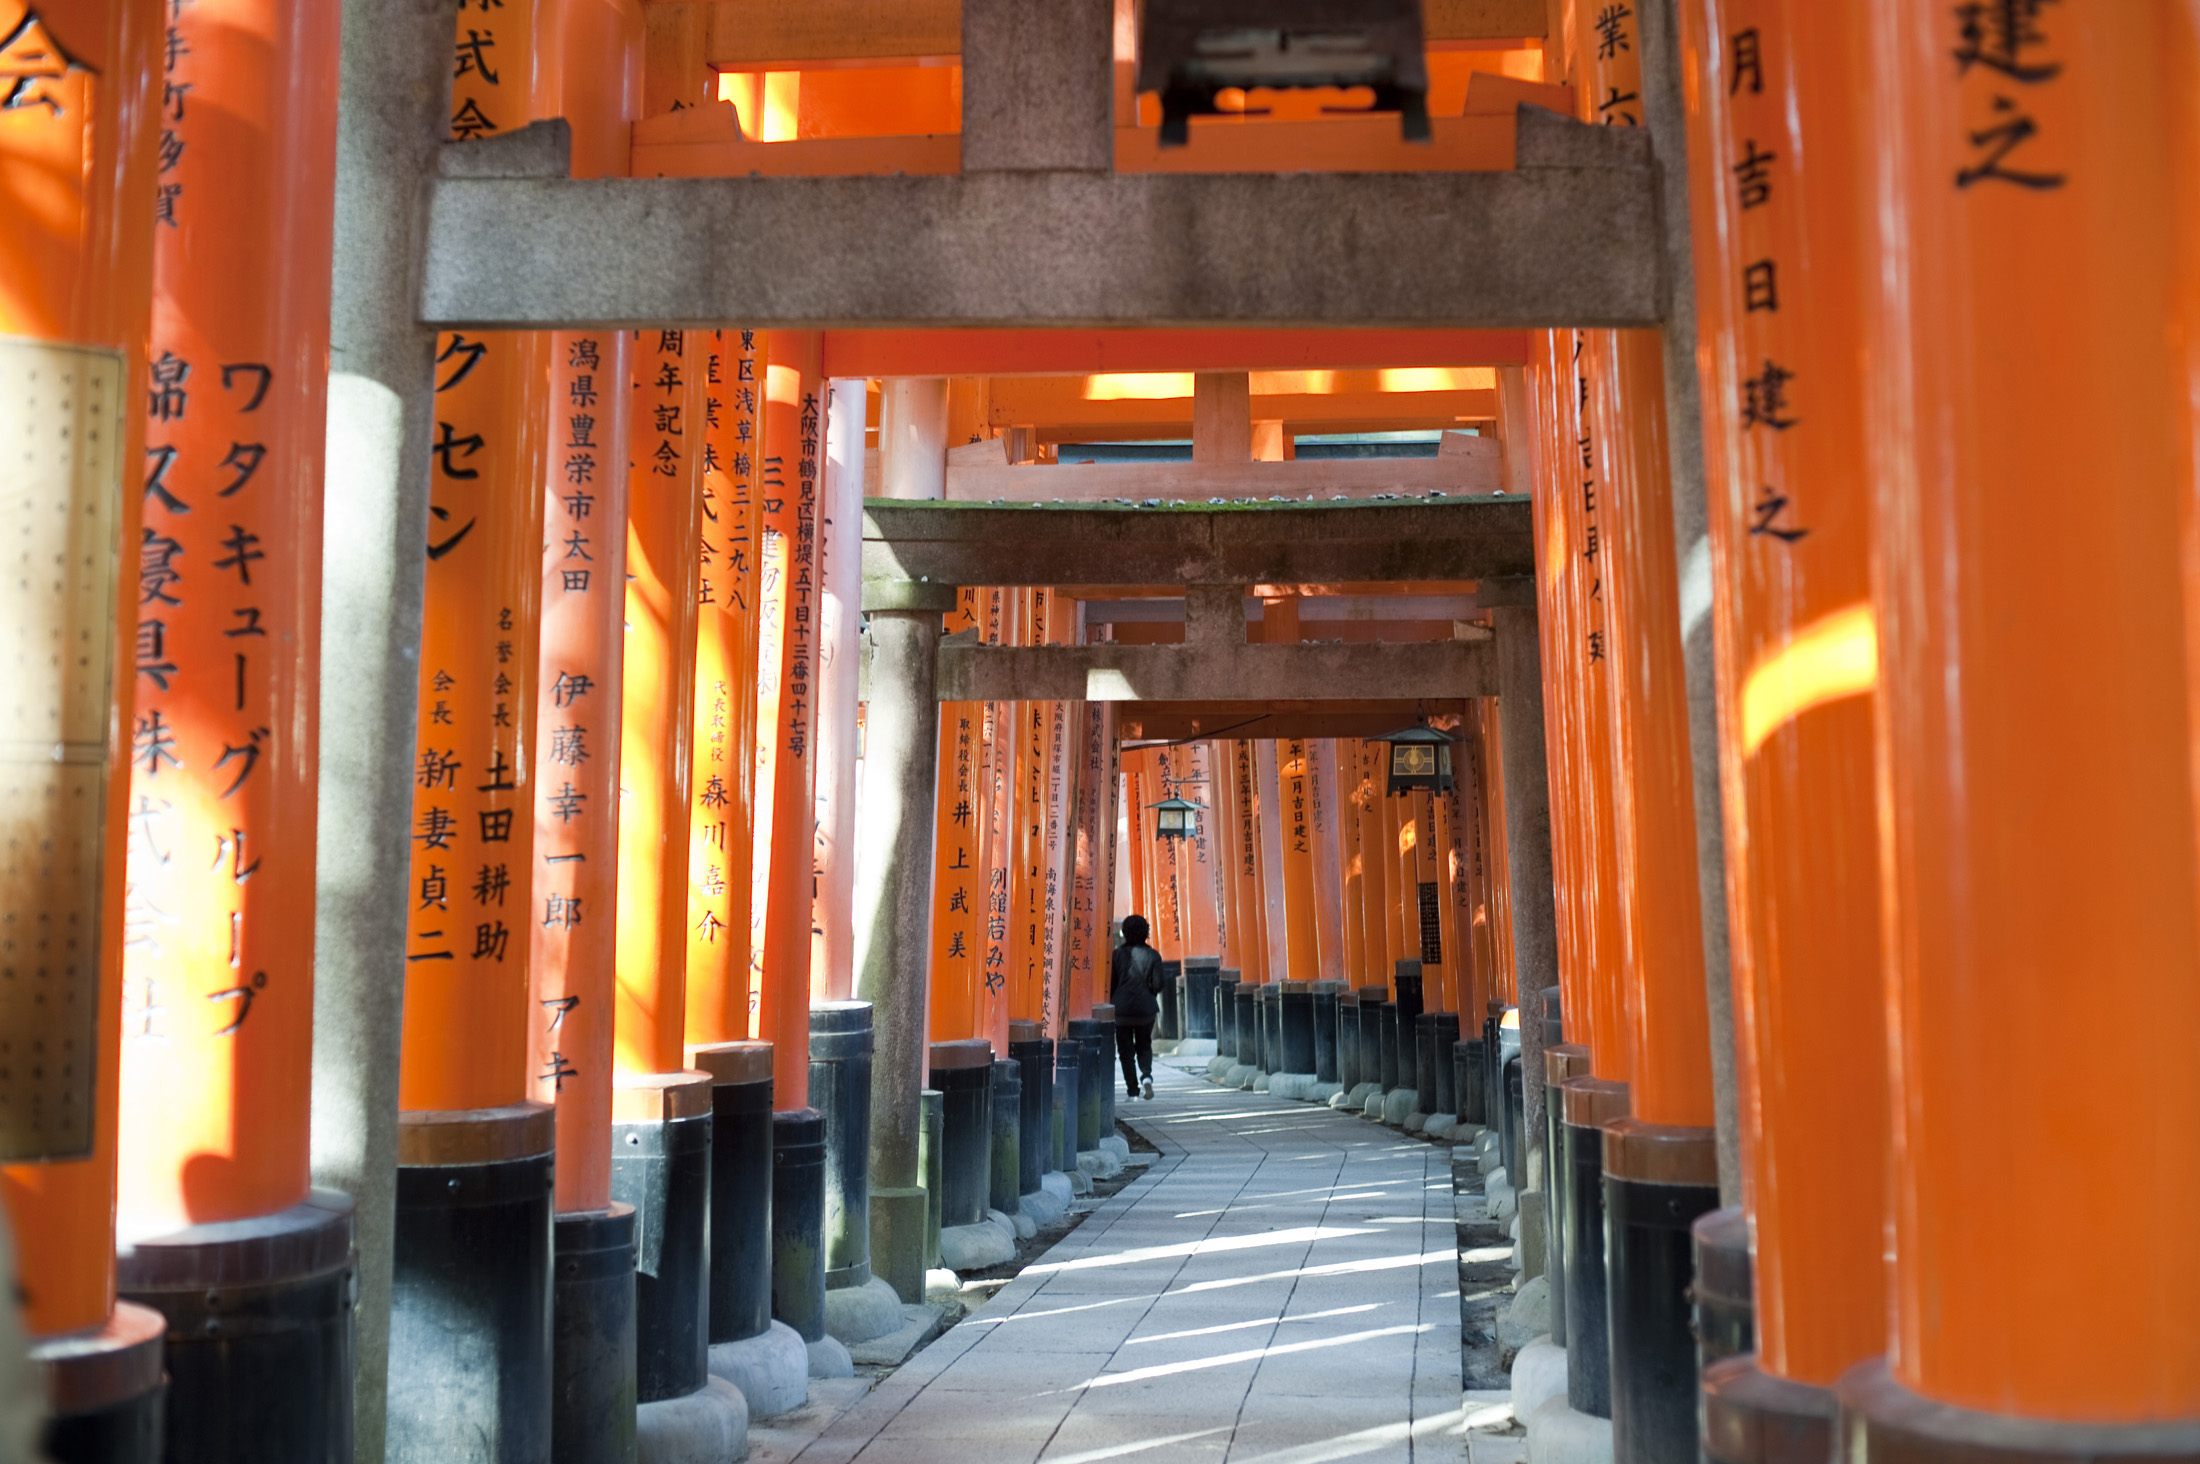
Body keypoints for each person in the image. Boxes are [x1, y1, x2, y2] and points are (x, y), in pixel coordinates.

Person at [1110, 915, 1166, 1100]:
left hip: (1122, 1011)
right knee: (1144, 1045)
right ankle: (1147, 1076)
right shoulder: (1153, 955)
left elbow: (1111, 984)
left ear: (1124, 932)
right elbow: (1158, 984)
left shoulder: (1117, 955)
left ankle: (1132, 1091)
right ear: (1146, 932)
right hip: (1145, 1010)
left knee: (1126, 1052)